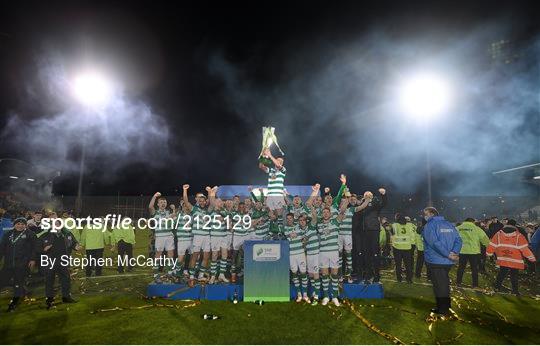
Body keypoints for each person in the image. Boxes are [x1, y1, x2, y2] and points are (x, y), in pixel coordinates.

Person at [422, 207, 462, 316]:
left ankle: (443, 309)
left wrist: (448, 254)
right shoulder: (449, 224)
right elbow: (458, 240)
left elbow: (434, 243)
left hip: (436, 260)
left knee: (440, 285)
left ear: (430, 214)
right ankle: (445, 305)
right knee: (443, 283)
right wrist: (454, 252)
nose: (423, 216)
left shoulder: (429, 225)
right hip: (448, 261)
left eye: (425, 214)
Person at [41, 212, 81, 309]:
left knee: (66, 279)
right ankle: (49, 299)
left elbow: (73, 243)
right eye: (55, 224)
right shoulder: (46, 234)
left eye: (59, 224)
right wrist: (44, 249)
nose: (57, 226)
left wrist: (76, 246)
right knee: (50, 280)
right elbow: (38, 246)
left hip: (63, 260)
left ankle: (66, 297)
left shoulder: (67, 233)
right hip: (51, 260)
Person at [0, 217, 37, 312]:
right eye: (18, 224)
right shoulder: (8, 234)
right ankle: (23, 290)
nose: (20, 225)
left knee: (18, 283)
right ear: (14, 224)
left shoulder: (30, 234)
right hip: (8, 264)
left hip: (22, 264)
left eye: (22, 224)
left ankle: (13, 304)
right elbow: (2, 248)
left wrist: (33, 259)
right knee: (2, 281)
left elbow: (35, 248)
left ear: (25, 225)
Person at [487, 224, 536, 295]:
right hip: (515, 261)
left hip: (503, 259)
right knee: (514, 275)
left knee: (502, 273)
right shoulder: (519, 236)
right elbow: (525, 249)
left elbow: (492, 245)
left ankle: (497, 286)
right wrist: (532, 258)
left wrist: (489, 253)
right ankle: (515, 291)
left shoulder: (498, 235)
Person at [352, 188, 387, 284]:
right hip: (364, 232)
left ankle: (377, 275)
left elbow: (383, 204)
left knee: (375, 253)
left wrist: (383, 195)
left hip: (373, 230)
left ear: (371, 196)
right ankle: (368, 274)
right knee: (366, 254)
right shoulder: (362, 206)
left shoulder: (375, 203)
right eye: (365, 195)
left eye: (368, 195)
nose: (367, 196)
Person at [455, 218, 490, 288]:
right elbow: (485, 240)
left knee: (461, 267)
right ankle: (475, 285)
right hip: (474, 252)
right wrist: (487, 247)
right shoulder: (477, 229)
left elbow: (451, 237)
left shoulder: (457, 228)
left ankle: (458, 282)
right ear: (473, 222)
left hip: (462, 251)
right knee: (474, 269)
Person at [149, 192, 175, 282]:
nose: (163, 203)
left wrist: (174, 211)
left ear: (166, 203)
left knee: (170, 254)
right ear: (158, 204)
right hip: (160, 237)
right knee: (158, 255)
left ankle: (170, 273)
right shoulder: (155, 212)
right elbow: (150, 207)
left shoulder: (169, 212)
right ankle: (156, 274)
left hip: (169, 236)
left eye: (164, 202)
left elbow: (174, 218)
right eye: (161, 202)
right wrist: (155, 196)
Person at [285, 213, 310, 303]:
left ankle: (305, 295)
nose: (289, 220)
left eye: (290, 218)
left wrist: (304, 243)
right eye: (287, 218)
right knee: (294, 273)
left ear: (293, 219)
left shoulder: (299, 227)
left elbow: (306, 236)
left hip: (300, 254)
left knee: (303, 273)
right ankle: (299, 294)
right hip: (291, 254)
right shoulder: (285, 229)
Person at [258, 147, 286, 214]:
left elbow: (278, 165)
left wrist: (270, 155)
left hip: (278, 195)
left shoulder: (283, 170)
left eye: (280, 161)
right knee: (270, 214)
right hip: (270, 195)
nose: (278, 162)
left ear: (282, 163)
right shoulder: (271, 170)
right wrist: (263, 156)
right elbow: (261, 166)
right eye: (277, 160)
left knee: (279, 214)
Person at [391, 213, 416, 283]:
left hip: (397, 247)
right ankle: (409, 279)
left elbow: (392, 234)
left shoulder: (395, 225)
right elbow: (411, 235)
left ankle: (399, 278)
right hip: (407, 247)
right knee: (408, 264)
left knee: (398, 264)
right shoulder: (410, 225)